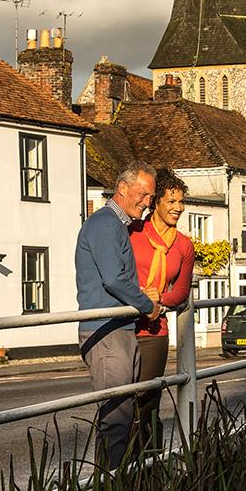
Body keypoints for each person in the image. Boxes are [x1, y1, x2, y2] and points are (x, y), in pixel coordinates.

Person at [76, 161, 159, 471]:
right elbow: (113, 279)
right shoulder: (105, 224)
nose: (148, 203)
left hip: (116, 328)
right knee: (116, 417)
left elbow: (114, 277)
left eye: (151, 197)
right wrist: (147, 304)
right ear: (123, 188)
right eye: (144, 194)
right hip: (107, 332)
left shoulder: (113, 225)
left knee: (121, 414)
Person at [129, 168, 196, 454]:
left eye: (181, 202)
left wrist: (160, 299)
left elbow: (181, 292)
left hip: (154, 331)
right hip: (122, 325)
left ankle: (150, 466)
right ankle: (116, 473)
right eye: (171, 201)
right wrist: (139, 295)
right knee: (120, 403)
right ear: (155, 201)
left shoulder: (183, 246)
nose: (178, 208)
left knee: (147, 401)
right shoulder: (132, 233)